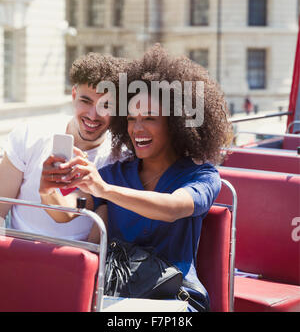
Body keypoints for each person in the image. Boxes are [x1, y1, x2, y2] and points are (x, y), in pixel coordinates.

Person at [39, 44, 233, 311]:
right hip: (116, 297)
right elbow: (70, 210)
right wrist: (47, 190)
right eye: (131, 119)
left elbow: (173, 208)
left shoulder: (202, 175)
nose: (137, 128)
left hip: (176, 301)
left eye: (150, 118)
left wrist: (105, 190)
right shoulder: (114, 174)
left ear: (177, 122)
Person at [0, 52, 127, 240]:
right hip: (17, 251)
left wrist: (48, 190)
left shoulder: (121, 159)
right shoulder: (30, 134)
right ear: (74, 94)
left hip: (73, 262)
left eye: (105, 105)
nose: (93, 115)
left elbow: (92, 241)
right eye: (86, 101)